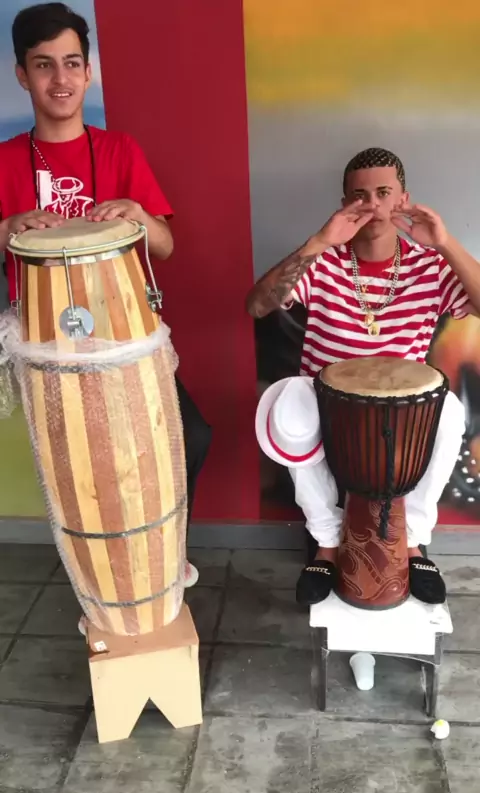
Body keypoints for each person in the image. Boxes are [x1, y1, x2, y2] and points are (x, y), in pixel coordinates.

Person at [0, 2, 211, 585]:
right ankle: (104, 581)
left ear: (88, 72)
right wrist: (6, 227)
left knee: (187, 437)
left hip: (124, 337)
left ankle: (162, 553)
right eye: (43, 64)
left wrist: (140, 215)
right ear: (22, 74)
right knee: (86, 467)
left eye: (72, 63)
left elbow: (165, 246)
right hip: (49, 346)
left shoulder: (119, 151)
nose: (60, 78)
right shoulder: (6, 160)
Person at [246, 146, 480, 607]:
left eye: (383, 193)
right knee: (289, 398)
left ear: (403, 199)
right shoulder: (324, 261)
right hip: (327, 402)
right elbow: (256, 306)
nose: (372, 205)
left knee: (451, 412)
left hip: (403, 412)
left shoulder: (430, 266)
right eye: (360, 196)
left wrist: (446, 243)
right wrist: (318, 242)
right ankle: (326, 543)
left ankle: (412, 541)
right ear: (344, 204)